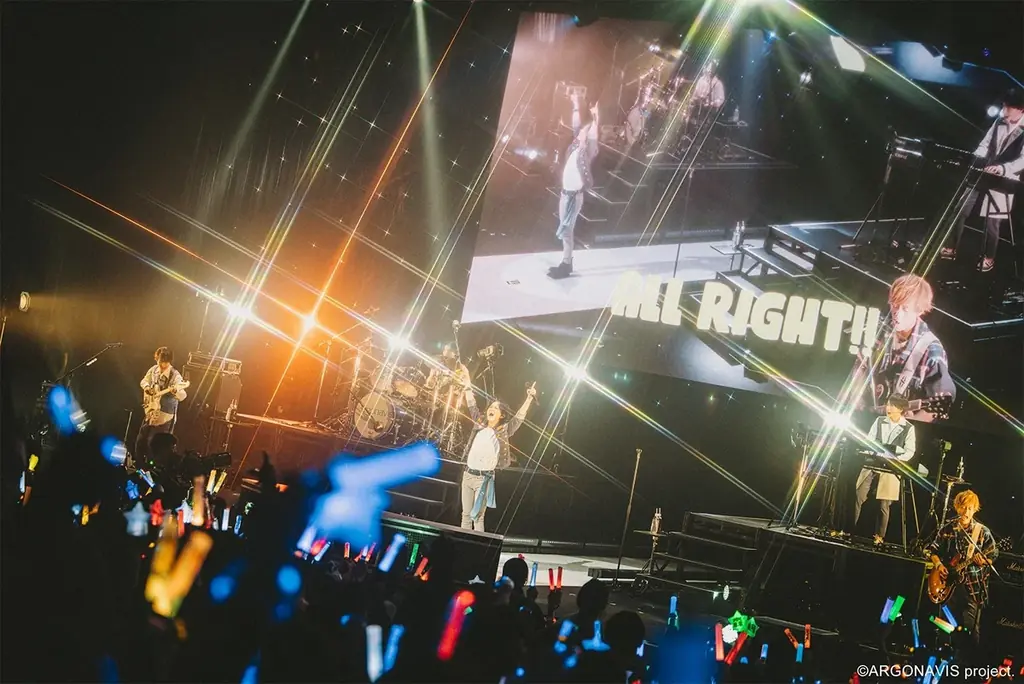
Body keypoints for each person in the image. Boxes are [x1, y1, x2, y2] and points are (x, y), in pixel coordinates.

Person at [943, 88, 1024, 272]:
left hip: (1005, 179)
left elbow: (1023, 159)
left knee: (992, 221)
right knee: (960, 209)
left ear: (1021, 109)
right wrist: (978, 157)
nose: (1004, 110)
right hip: (983, 172)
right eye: (1004, 105)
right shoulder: (999, 122)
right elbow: (984, 144)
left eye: (1009, 107)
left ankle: (989, 257)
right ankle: (951, 247)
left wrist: (1003, 168)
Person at [873, 274, 955, 422]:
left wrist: (913, 422)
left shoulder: (932, 351)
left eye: (905, 308)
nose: (897, 314)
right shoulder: (879, 333)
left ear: (919, 310)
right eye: (894, 305)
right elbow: (860, 371)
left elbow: (938, 405)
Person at [458, 380, 536, 531]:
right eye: (491, 407)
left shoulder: (503, 430)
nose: (491, 409)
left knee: (477, 517)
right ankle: (461, 544)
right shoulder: (480, 423)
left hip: (483, 479)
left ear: (501, 415)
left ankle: (477, 545)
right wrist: (467, 384)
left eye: (496, 408)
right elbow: (472, 405)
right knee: (466, 515)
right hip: (467, 475)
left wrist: (529, 399)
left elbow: (518, 419)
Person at [925, 490, 997, 653]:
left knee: (970, 630)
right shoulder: (948, 528)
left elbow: (993, 554)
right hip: (949, 586)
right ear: (957, 507)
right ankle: (943, 655)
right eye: (963, 507)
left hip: (972, 587)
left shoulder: (982, 532)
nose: (966, 512)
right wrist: (939, 565)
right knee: (944, 626)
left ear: (975, 510)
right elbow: (932, 550)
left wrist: (984, 561)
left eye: (970, 508)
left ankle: (967, 660)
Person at [548, 93, 599, 280]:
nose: (579, 133)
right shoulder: (574, 147)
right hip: (565, 195)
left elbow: (593, 135)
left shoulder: (587, 153)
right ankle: (566, 262)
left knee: (567, 231)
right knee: (565, 230)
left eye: (583, 132)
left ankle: (566, 264)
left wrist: (596, 117)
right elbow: (576, 124)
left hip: (573, 197)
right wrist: (576, 104)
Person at [853, 395, 916, 545]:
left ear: (900, 409)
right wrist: (869, 452)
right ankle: (851, 529)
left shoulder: (908, 427)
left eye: (892, 406)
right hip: (873, 461)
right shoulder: (879, 421)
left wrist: (896, 458)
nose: (888, 408)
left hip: (891, 467)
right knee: (859, 495)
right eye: (888, 405)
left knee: (884, 504)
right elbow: (869, 440)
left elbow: (910, 451)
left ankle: (879, 537)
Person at [135, 347, 187, 464]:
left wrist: (175, 391)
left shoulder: (175, 375)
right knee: (140, 440)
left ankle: (154, 468)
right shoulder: (153, 370)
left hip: (165, 415)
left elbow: (183, 395)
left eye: (165, 362)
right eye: (160, 361)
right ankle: (139, 465)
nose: (162, 365)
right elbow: (144, 381)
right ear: (156, 359)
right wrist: (147, 388)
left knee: (154, 444)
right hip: (151, 411)